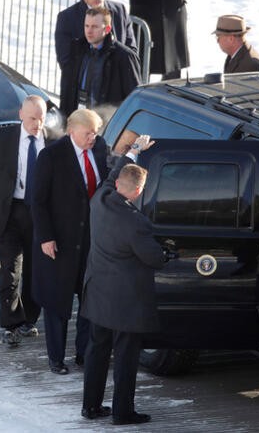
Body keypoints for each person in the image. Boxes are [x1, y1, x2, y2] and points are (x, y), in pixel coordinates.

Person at [80, 134, 165, 426]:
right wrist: (169, 254)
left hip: (98, 292)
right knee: (126, 359)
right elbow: (154, 258)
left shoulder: (100, 200)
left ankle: (90, 407)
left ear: (117, 186)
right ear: (138, 192)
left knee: (97, 351)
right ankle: (122, 412)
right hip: (126, 302)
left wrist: (134, 151)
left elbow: (113, 175)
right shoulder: (136, 222)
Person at [31, 109, 108, 375]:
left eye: (96, 132)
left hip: (90, 240)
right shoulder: (51, 156)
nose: (93, 138)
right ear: (72, 131)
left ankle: (84, 354)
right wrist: (46, 237)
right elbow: (38, 201)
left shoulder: (99, 149)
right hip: (59, 242)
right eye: (88, 133)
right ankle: (56, 358)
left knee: (89, 298)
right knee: (57, 301)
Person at [0, 95, 47, 346]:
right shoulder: (4, 138)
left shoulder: (53, 141)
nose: (37, 123)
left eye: (41, 118)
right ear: (21, 115)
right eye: (32, 118)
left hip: (40, 214)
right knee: (10, 270)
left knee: (36, 270)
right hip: (9, 213)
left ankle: (29, 320)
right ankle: (11, 323)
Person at [55, 0, 137, 94]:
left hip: (116, 93)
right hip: (84, 93)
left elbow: (131, 52)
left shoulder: (120, 11)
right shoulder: (67, 18)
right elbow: (66, 63)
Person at [60, 7, 141, 116]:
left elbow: (134, 97)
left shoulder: (124, 57)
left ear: (107, 29)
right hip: (78, 121)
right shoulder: (76, 49)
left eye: (94, 27)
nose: (89, 31)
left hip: (107, 125)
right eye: (86, 26)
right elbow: (67, 88)